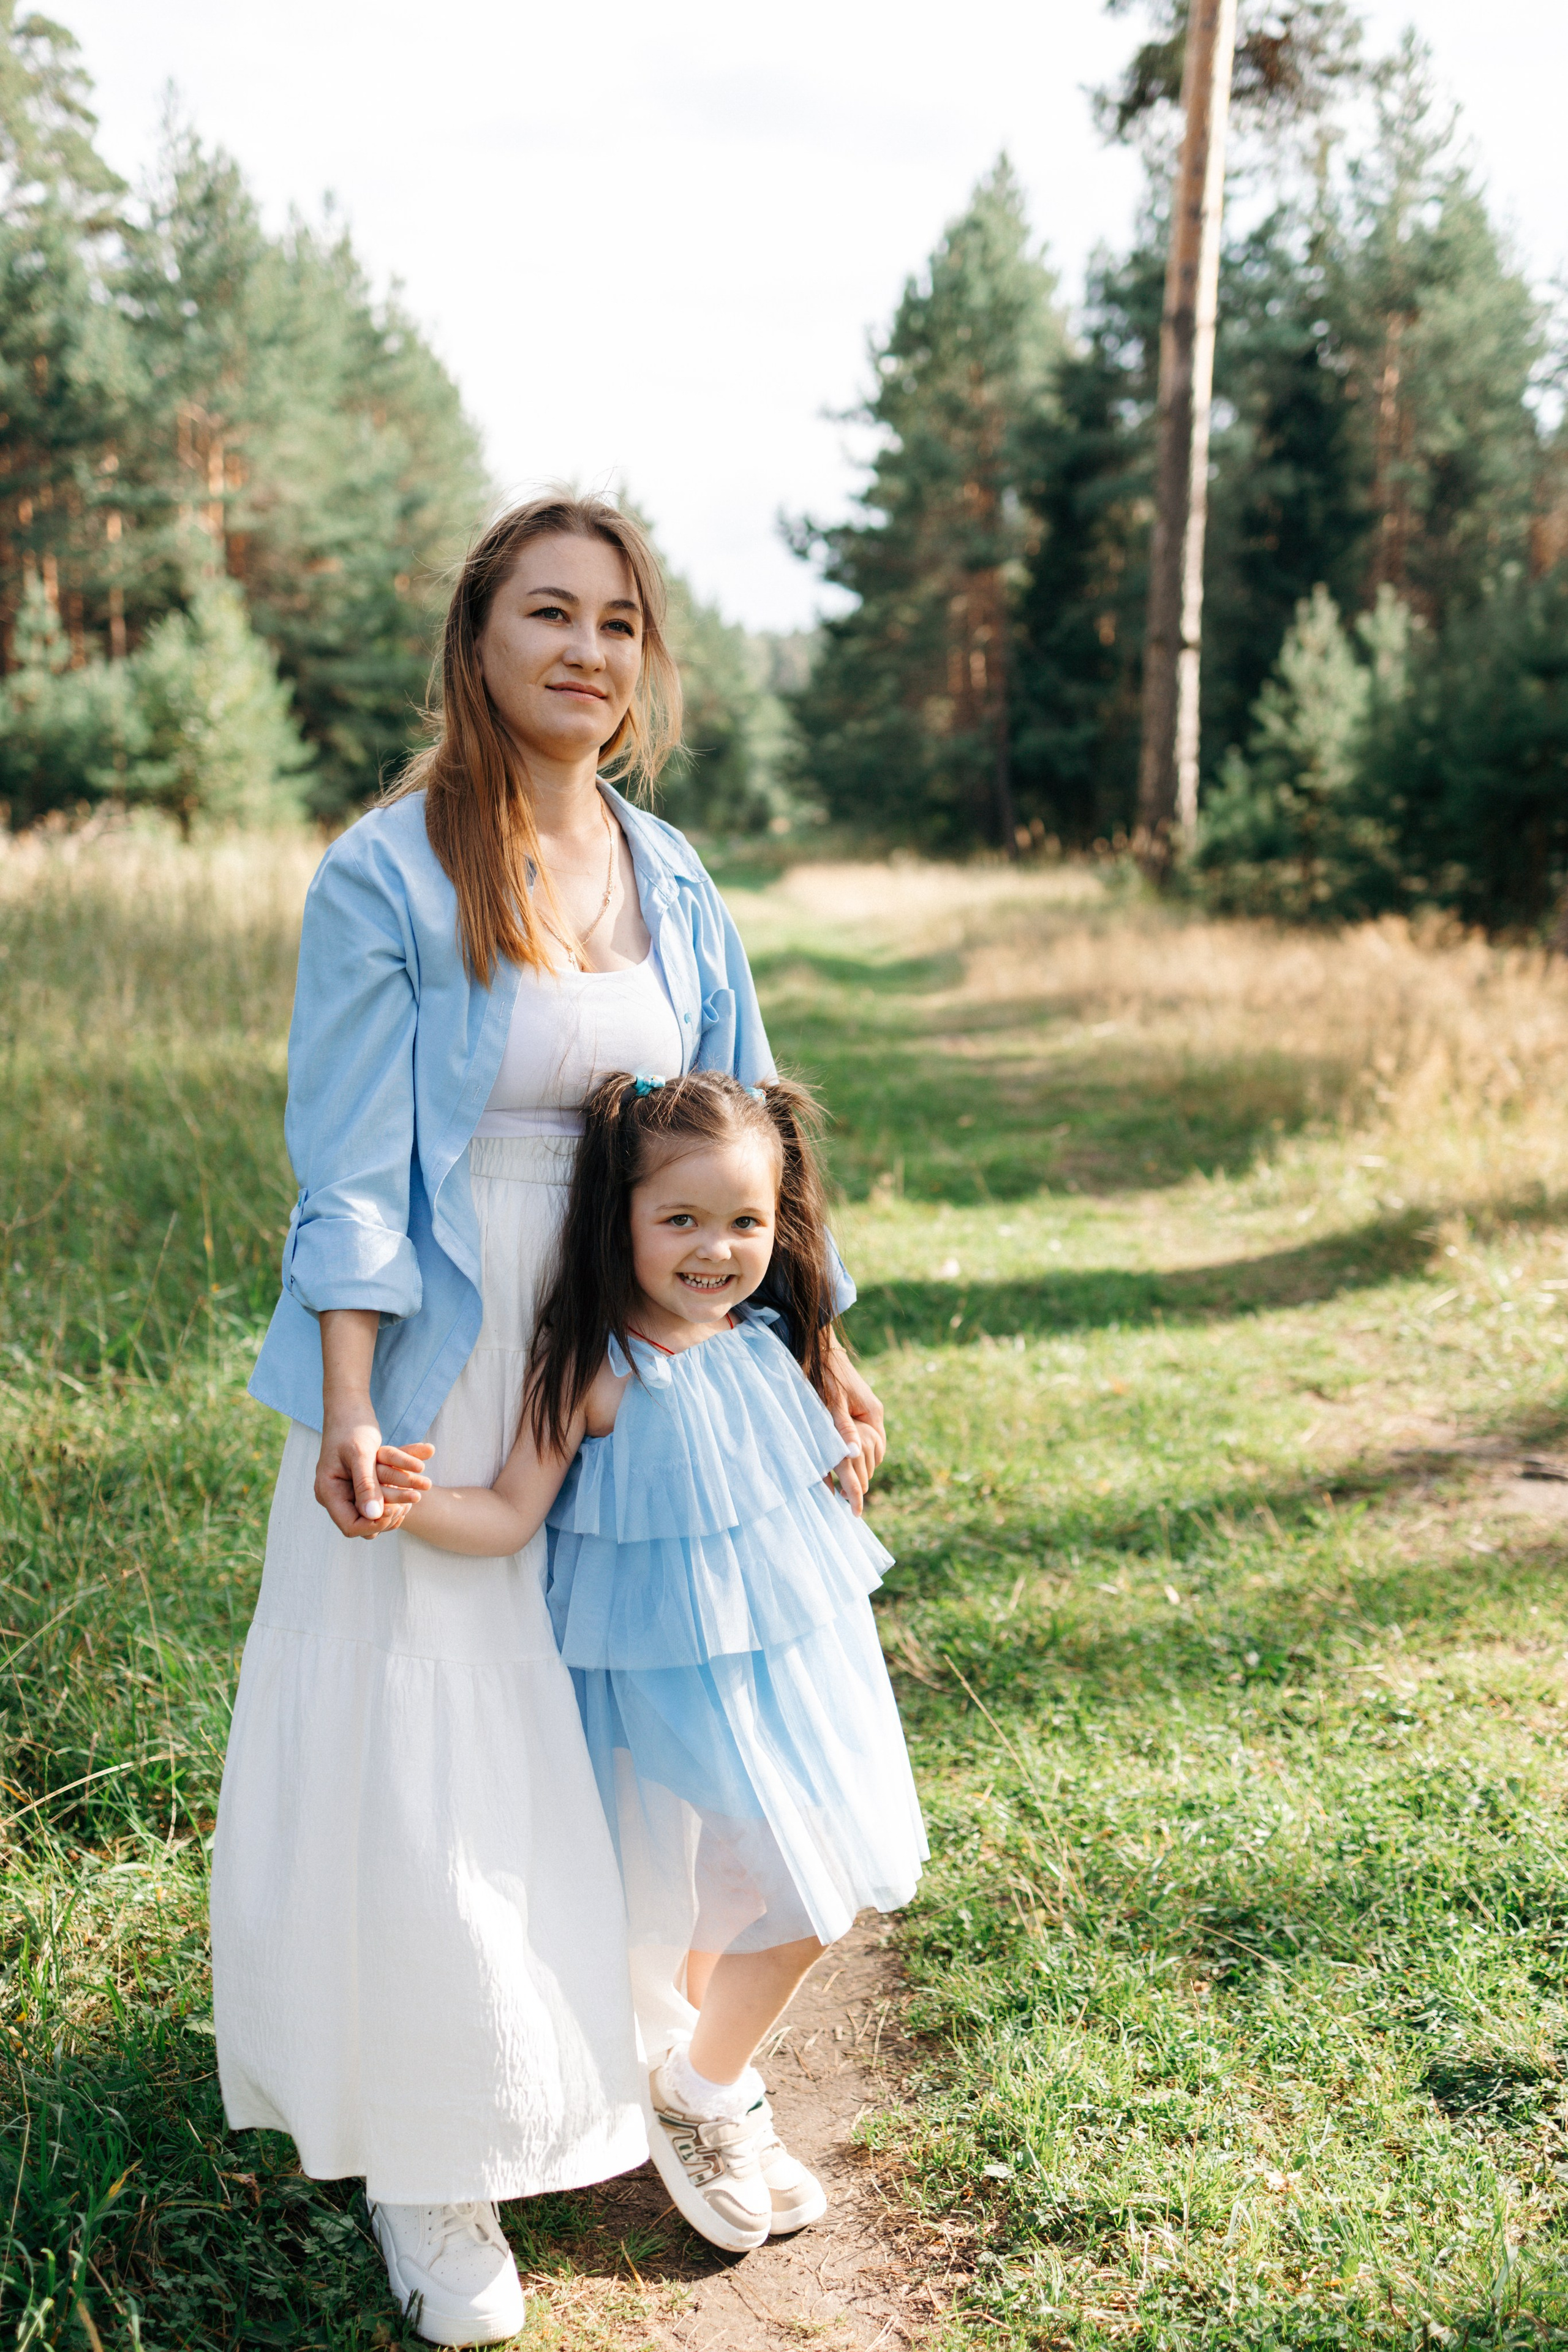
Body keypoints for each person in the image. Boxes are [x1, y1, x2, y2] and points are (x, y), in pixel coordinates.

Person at [209, 495, 887, 2349]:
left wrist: (810, 1344)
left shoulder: (672, 874)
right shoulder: (388, 873)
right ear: (479, 641)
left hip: (640, 1346)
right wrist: (352, 1399)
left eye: (616, 622)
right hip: (442, 1347)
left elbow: (747, 1131)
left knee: (636, 1722)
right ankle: (435, 2169)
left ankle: (655, 2062)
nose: (586, 652)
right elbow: (346, 1172)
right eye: (546, 615)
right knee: (440, 1742)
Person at [368, 1068, 927, 2256]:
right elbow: (510, 1513)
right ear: (617, 1219)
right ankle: (702, 2089)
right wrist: (406, 1504)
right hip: (685, 1682)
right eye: (679, 1219)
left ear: (778, 1225)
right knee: (804, 1894)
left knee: (746, 1892)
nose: (715, 1249)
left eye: (742, 1221)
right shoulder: (599, 1374)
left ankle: (690, 2068)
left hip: (795, 1666)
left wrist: (849, 1435)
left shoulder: (770, 1341)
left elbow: (805, 1465)